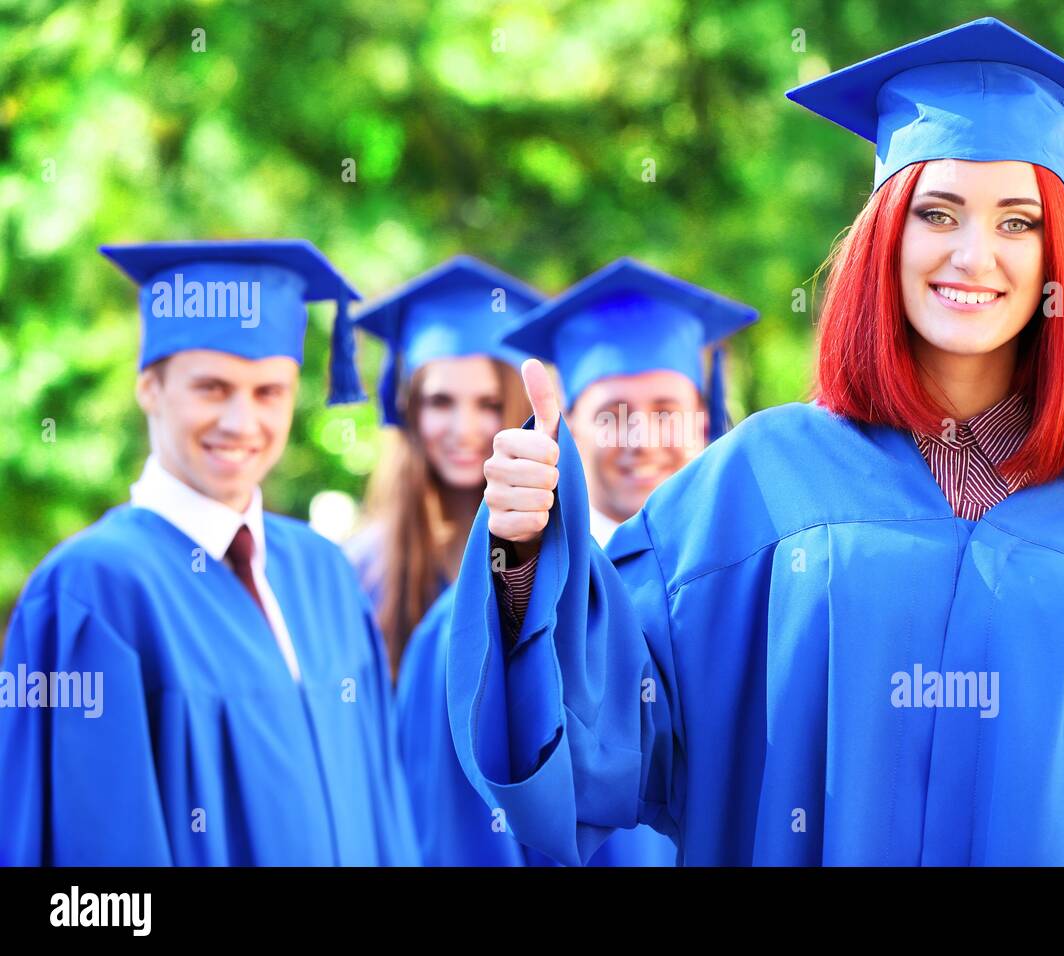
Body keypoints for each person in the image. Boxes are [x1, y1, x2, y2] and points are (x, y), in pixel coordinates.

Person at [444, 18, 1064, 866]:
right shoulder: (762, 481)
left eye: (1017, 222)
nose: (974, 255)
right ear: (886, 237)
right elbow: (607, 729)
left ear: (1057, 258)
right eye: (938, 212)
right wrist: (523, 554)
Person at [0, 240, 419, 865]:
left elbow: (384, 810)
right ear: (150, 386)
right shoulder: (93, 590)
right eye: (212, 387)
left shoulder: (324, 572)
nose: (241, 421)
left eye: (268, 391)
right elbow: (96, 857)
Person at [396, 258, 757, 865]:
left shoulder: (745, 600)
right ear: (570, 429)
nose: (643, 438)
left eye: (668, 408)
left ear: (704, 418)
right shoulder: (471, 628)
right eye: (612, 413)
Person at [345, 256, 536, 675]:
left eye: (489, 404)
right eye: (440, 401)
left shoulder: (551, 556)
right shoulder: (362, 567)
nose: (463, 430)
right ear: (409, 410)